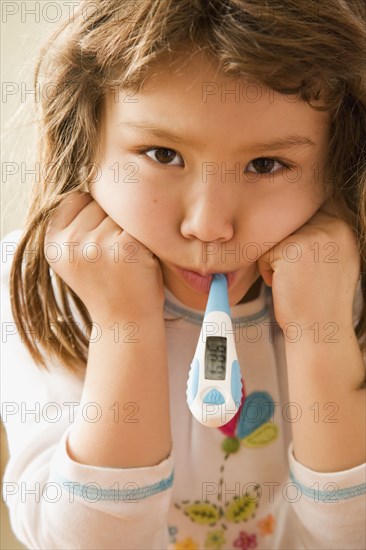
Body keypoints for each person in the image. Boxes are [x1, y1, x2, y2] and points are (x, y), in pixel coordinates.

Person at [1, 1, 365, 548]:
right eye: (162, 153)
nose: (209, 226)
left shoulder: (349, 283)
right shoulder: (36, 282)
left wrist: (323, 333)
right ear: (84, 143)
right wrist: (126, 326)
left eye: (266, 165)